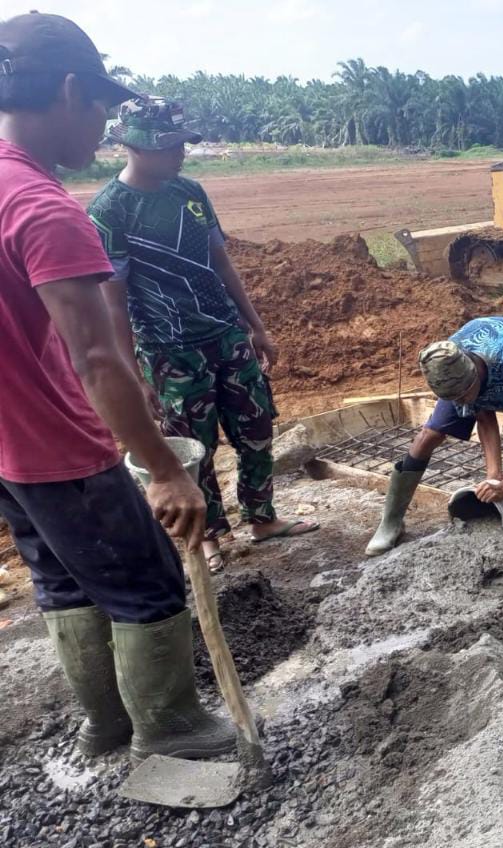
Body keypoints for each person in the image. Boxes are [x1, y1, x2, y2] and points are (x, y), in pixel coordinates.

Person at [0, 12, 235, 760]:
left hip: (6, 446)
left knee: (64, 578)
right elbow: (100, 357)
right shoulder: (44, 209)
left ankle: (105, 727)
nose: (103, 124)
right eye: (101, 105)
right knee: (148, 582)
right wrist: (164, 471)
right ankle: (173, 733)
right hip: (53, 440)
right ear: (70, 91)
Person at [88, 96, 317, 573]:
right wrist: (137, 376)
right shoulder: (111, 210)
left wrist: (256, 326)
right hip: (171, 353)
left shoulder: (191, 193)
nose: (180, 153)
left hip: (228, 336)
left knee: (256, 429)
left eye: (181, 144)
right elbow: (113, 302)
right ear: (132, 145)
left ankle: (262, 518)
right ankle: (212, 534)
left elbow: (221, 262)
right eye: (169, 145)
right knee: (196, 447)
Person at [366, 316, 503, 555]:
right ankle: (390, 523)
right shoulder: (450, 365)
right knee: (429, 435)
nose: (460, 404)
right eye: (455, 400)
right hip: (473, 374)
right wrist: (494, 477)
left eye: (463, 397)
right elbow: (483, 415)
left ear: (475, 378)